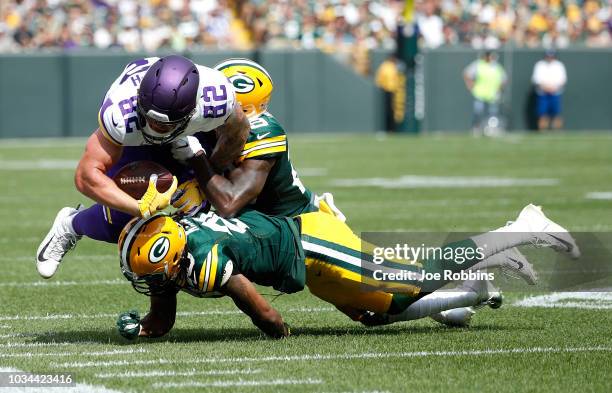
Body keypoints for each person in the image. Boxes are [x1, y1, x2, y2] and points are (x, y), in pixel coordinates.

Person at [115, 204, 579, 339]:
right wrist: (145, 330)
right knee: (373, 314)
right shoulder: (182, 244)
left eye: (154, 274)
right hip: (304, 252)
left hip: (312, 245)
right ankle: (476, 280)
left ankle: (518, 229)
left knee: (411, 282)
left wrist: (281, 337)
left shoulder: (200, 259)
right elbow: (162, 313)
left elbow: (267, 317)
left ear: (171, 257)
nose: (154, 284)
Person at [36, 55, 251, 279]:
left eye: (165, 124)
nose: (156, 126)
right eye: (151, 118)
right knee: (118, 221)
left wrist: (206, 175)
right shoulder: (122, 114)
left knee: (200, 210)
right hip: (140, 138)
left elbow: (238, 132)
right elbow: (86, 176)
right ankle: (70, 224)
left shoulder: (216, 100)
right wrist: (141, 207)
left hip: (193, 132)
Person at [173, 58, 345, 220]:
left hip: (294, 224)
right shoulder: (212, 123)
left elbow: (229, 204)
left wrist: (195, 155)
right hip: (257, 221)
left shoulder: (262, 131)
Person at [463, 51, 507, 135]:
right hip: (480, 93)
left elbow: (504, 78)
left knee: (493, 113)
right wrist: (470, 84)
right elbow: (466, 73)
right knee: (478, 112)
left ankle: (491, 128)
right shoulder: (479, 65)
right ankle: (476, 128)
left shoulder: (497, 66)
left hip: (493, 94)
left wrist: (499, 88)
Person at [532, 50, 567, 131]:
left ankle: (557, 131)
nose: (550, 58)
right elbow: (536, 79)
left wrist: (553, 88)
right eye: (548, 56)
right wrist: (546, 88)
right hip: (542, 93)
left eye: (552, 56)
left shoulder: (559, 65)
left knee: (556, 113)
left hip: (556, 93)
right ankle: (542, 131)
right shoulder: (540, 65)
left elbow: (562, 80)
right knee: (542, 113)